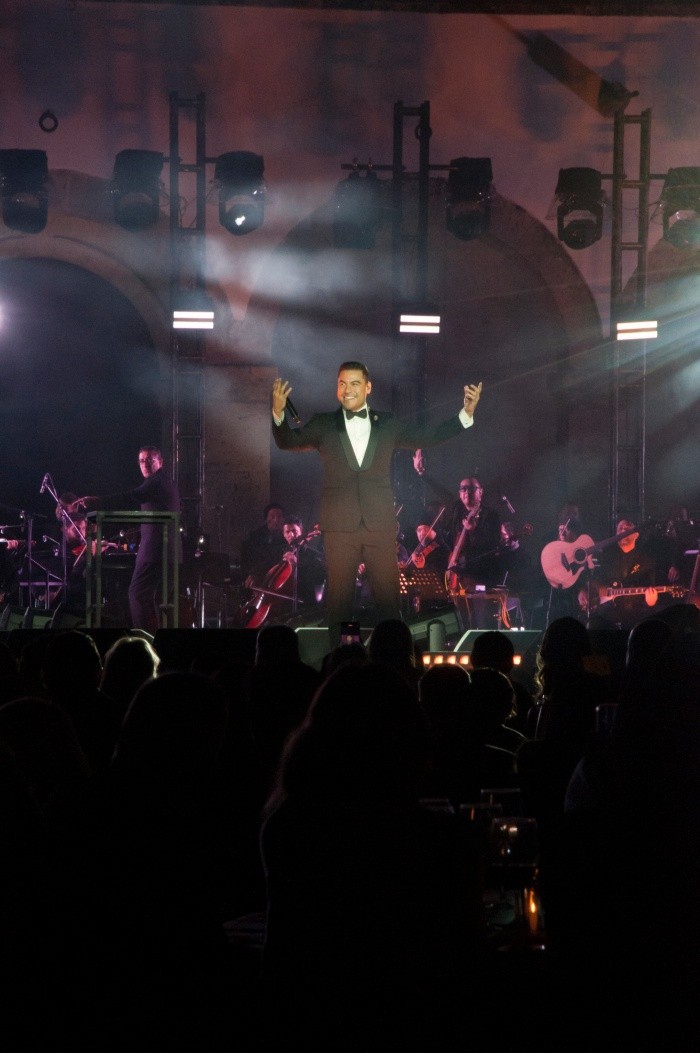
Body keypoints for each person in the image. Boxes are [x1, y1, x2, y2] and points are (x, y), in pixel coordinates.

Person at [272, 362, 481, 646]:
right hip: (340, 527)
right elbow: (287, 441)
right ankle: (345, 657)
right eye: (342, 384)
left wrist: (464, 415)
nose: (347, 389)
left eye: (354, 383)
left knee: (388, 603)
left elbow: (427, 436)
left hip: (379, 525)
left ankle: (392, 657)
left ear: (368, 387)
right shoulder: (324, 423)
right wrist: (278, 413)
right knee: (341, 605)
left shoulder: (387, 423)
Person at [69, 446, 181, 634]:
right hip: (169, 551)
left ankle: (146, 639)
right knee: (154, 600)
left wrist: (98, 501)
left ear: (160, 462)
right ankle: (154, 640)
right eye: (141, 461)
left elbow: (131, 497)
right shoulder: (166, 482)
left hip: (155, 551)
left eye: (149, 460)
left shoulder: (155, 482)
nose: (145, 464)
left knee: (137, 594)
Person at [580, 518, 670, 630]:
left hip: (634, 618)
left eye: (627, 529)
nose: (623, 531)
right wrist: (584, 591)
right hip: (606, 617)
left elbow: (651, 591)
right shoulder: (606, 556)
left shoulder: (647, 561)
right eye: (620, 529)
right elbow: (592, 579)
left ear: (636, 535)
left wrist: (651, 601)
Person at [279, 515, 326, 613]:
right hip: (282, 603)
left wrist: (297, 565)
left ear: (301, 531)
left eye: (294, 531)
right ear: (283, 534)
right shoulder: (280, 553)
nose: (291, 535)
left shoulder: (314, 555)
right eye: (287, 532)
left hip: (304, 604)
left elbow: (319, 579)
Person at [240, 503, 287, 578]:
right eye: (272, 516)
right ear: (266, 519)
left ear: (283, 519)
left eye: (279, 516)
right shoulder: (256, 537)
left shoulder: (287, 536)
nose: (276, 520)